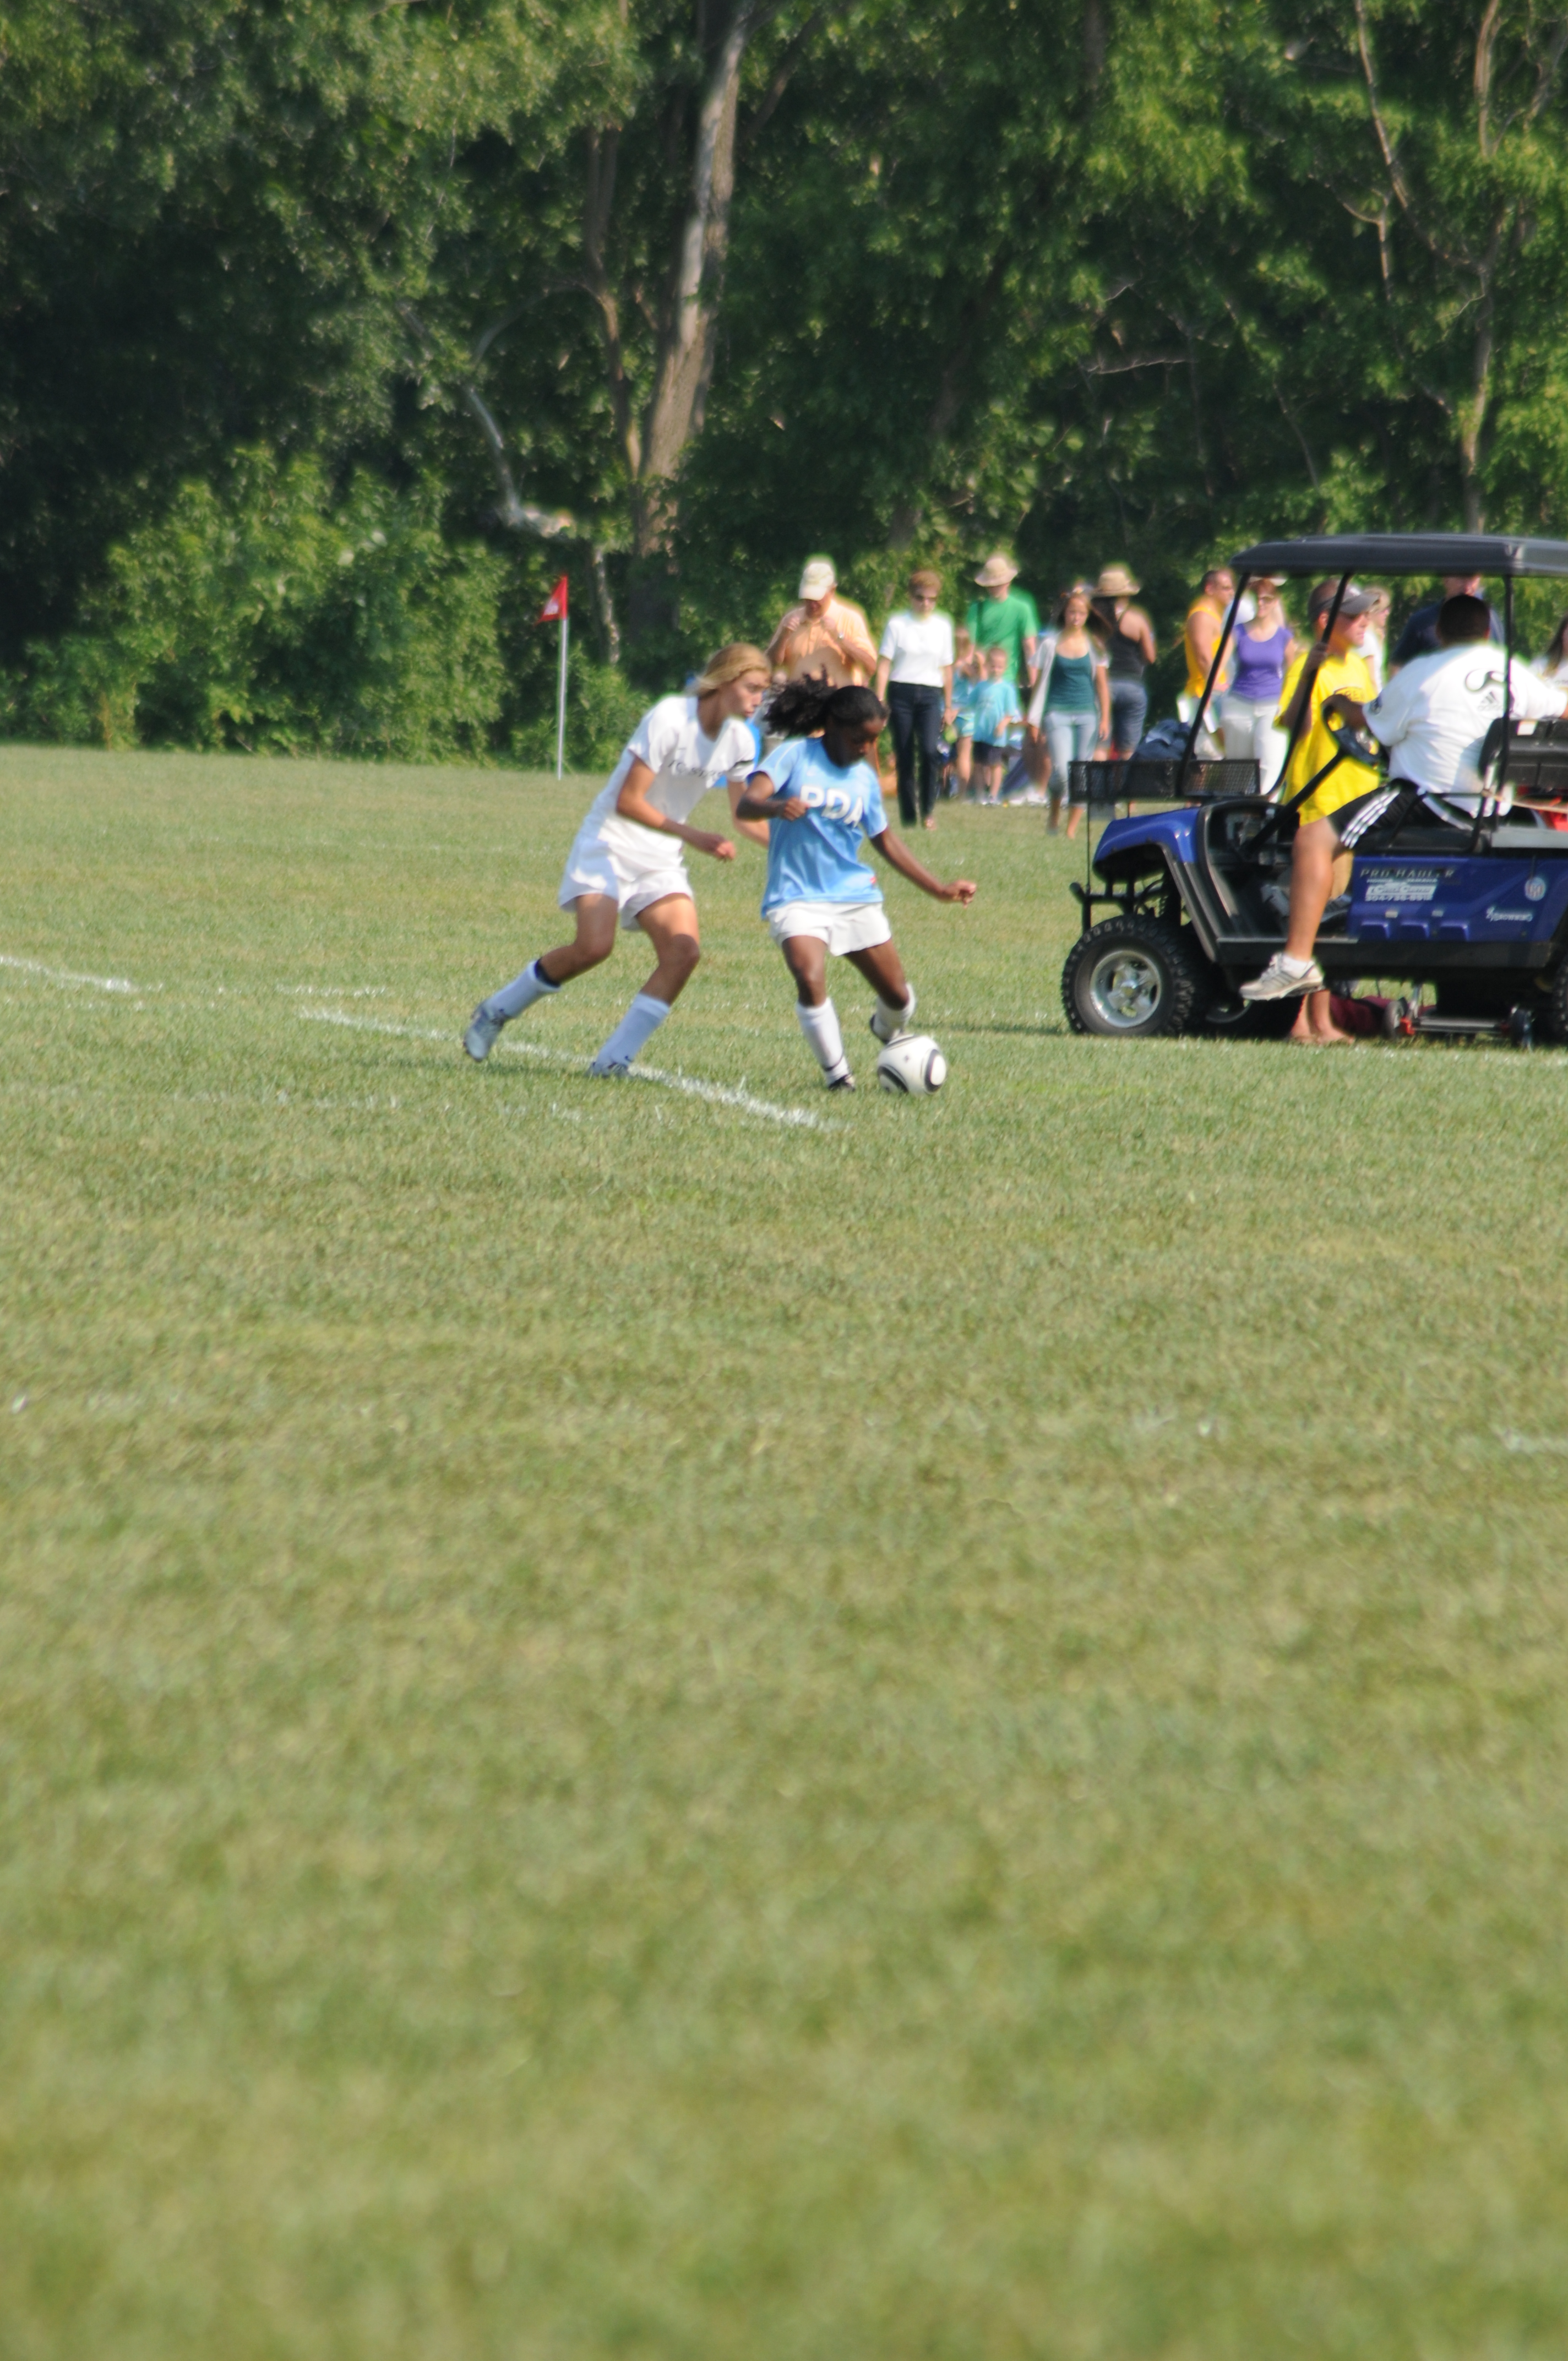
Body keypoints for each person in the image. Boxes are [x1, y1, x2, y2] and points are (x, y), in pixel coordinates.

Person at [462, 644, 770, 1074]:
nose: (759, 699)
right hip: (610, 842)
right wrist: (692, 835)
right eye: (752, 687)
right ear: (724, 681)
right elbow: (628, 801)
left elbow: (743, 815)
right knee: (593, 947)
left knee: (683, 953)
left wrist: (794, 848)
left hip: (660, 858)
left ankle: (613, 1062)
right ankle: (496, 1010)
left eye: (764, 690)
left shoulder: (741, 740)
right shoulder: (671, 717)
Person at [733, 676, 976, 1091]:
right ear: (832, 725)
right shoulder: (794, 755)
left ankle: (885, 1030)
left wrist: (938, 889)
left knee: (899, 999)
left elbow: (885, 840)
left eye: (874, 740)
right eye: (859, 738)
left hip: (853, 896)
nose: (866, 748)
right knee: (809, 975)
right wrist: (776, 806)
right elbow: (746, 804)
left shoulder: (864, 779)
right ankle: (838, 1077)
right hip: (796, 896)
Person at [1237, 581, 1379, 1041]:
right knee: (1313, 916)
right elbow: (1295, 726)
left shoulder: (1358, 664)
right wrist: (1308, 677)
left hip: (1356, 799)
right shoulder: (1307, 665)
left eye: (1365, 614)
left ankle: (1323, 1018)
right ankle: (1301, 1021)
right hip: (1321, 802)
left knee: (1335, 917)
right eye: (1354, 616)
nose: (1364, 621)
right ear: (1324, 621)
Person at [875, 568, 955, 830]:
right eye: (921, 598)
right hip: (901, 691)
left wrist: (949, 705)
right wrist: (880, 699)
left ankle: (928, 811)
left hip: (931, 693)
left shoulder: (943, 626)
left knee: (930, 751)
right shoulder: (897, 624)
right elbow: (884, 664)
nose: (926, 604)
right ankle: (909, 816)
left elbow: (947, 668)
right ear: (911, 597)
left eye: (932, 599)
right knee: (905, 753)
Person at [1033, 586, 1112, 840]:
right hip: (1057, 712)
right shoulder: (1050, 644)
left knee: (1081, 772)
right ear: (1064, 614)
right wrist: (1034, 718)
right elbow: (1039, 685)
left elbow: (1102, 685)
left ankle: (1070, 831)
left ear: (1087, 616)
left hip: (1087, 714)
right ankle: (1055, 814)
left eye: (1080, 613)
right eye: (1071, 613)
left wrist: (1105, 718)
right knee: (1061, 771)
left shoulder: (1095, 646)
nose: (1076, 618)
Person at [1219, 577, 1297, 787]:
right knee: (1239, 770)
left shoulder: (1284, 637)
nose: (1261, 603)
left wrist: (1289, 702)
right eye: (1257, 599)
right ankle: (1239, 806)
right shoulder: (1238, 632)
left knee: (1270, 768)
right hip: (1240, 704)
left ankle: (1266, 805)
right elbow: (1219, 664)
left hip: (1272, 706)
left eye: (1267, 599)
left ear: (1275, 602)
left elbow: (1293, 673)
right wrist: (1215, 686)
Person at [765, 557, 878, 688]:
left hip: (837, 697)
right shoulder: (791, 619)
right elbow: (769, 664)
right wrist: (784, 637)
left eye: (817, 598)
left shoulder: (850, 619)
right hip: (799, 697)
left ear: (832, 591)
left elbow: (870, 667)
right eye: (808, 597)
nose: (812, 604)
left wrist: (840, 639)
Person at [1090, 564, 1157, 758]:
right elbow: (1150, 657)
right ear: (1126, 594)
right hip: (1133, 685)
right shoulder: (1137, 619)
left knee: (1100, 746)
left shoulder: (1094, 622)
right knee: (1128, 750)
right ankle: (1124, 779)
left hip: (1102, 686)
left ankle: (1099, 779)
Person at [1389, 573, 1506, 671]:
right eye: (1461, 579)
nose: (1467, 587)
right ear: (1446, 579)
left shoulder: (1491, 619)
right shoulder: (1421, 622)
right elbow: (1398, 666)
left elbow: (1500, 663)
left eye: (1472, 579)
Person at [1181, 565, 1235, 753]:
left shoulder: (1215, 617)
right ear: (1210, 588)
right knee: (1209, 754)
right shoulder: (1202, 616)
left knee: (1225, 753)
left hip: (1216, 693)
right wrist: (1215, 686)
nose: (1231, 593)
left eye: (1232, 588)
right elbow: (1203, 657)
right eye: (1226, 588)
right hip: (1205, 693)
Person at [965, 553, 1041, 688]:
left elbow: (1030, 647)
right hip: (990, 679)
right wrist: (1035, 684)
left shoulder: (977, 609)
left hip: (994, 680)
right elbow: (1030, 648)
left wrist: (1034, 682)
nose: (994, 587)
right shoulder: (1022, 608)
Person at [967, 644, 1025, 803]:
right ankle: (979, 795)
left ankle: (993, 795)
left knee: (995, 765)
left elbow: (1010, 713)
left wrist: (1002, 725)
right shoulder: (981, 686)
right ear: (987, 666)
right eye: (993, 666)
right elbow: (970, 703)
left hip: (996, 736)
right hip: (980, 733)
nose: (996, 670)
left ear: (1004, 668)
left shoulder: (1007, 689)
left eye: (1000, 667)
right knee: (978, 764)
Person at [949, 631, 983, 797]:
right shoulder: (963, 667)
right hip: (965, 714)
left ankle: (948, 789)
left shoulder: (948, 667)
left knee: (949, 755)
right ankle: (962, 793)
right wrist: (981, 665)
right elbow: (979, 681)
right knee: (964, 756)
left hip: (949, 712)